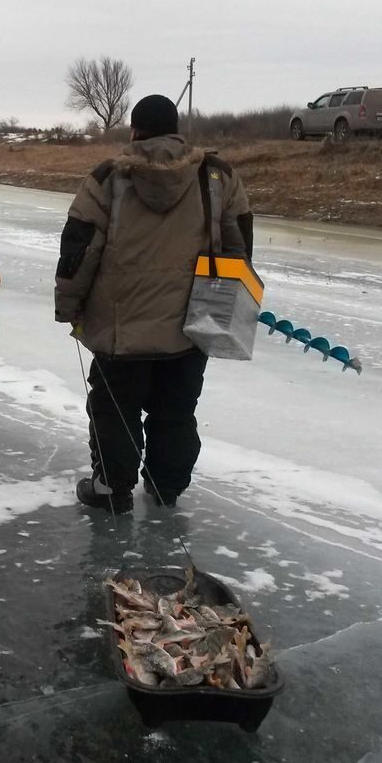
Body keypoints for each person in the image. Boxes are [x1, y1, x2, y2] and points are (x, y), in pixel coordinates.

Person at [54, 93, 253, 511]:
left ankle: (112, 489)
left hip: (118, 325)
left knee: (114, 410)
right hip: (192, 321)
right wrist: (231, 303)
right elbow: (240, 246)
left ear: (135, 130)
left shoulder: (107, 178)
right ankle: (167, 488)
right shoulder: (217, 176)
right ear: (176, 130)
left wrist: (68, 306)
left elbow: (80, 249)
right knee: (176, 411)